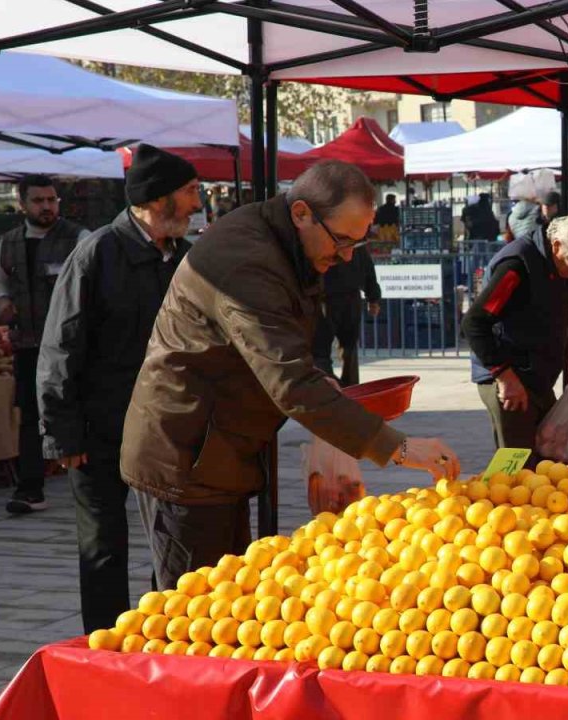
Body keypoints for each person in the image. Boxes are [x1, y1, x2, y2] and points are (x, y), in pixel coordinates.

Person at [119, 160, 459, 591]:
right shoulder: (246, 262)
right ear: (301, 213)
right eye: (341, 241)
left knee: (229, 596)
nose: (346, 256)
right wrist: (400, 447)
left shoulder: (289, 246)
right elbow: (289, 381)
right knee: (195, 605)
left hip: (222, 451)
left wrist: (323, 382)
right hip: (185, 455)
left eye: (359, 243)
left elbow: (289, 348)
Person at [36, 145, 199, 633]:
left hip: (163, 432)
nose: (197, 202)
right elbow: (60, 348)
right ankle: (104, 647)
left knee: (170, 545)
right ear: (159, 198)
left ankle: (164, 639)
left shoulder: (185, 260)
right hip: (96, 431)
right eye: (190, 192)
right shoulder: (97, 253)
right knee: (103, 548)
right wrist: (63, 435)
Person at [465, 210, 568, 457]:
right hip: (510, 379)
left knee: (549, 455)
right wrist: (505, 376)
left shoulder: (564, 267)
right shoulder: (517, 266)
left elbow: (560, 316)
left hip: (537, 378)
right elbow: (475, 323)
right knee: (517, 465)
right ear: (556, 245)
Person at [0, 175, 90, 514]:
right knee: (31, 416)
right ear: (23, 204)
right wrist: (2, 301)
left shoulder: (79, 238)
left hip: (71, 349)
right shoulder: (10, 241)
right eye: (38, 201)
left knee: (78, 411)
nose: (47, 206)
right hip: (28, 345)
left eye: (51, 200)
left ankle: (90, 486)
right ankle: (30, 489)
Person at [313, 246, 381, 387]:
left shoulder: (322, 234)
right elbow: (367, 267)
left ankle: (331, 388)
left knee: (320, 351)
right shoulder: (354, 237)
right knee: (348, 347)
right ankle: (350, 387)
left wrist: (373, 297)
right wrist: (373, 297)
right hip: (348, 295)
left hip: (326, 297)